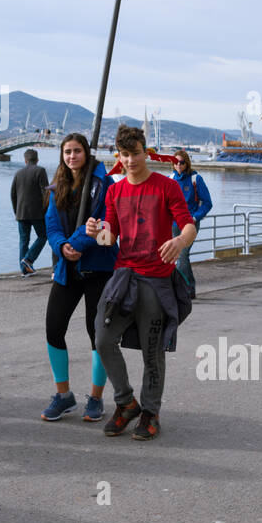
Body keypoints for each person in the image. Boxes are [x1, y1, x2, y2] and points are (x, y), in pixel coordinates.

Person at [85, 125, 196, 442]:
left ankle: (150, 412)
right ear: (118, 157)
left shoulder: (166, 186)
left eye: (136, 153)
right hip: (124, 277)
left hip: (156, 279)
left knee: (152, 351)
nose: (131, 160)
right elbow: (110, 239)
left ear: (145, 152)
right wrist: (96, 232)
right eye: (125, 154)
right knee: (103, 337)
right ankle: (125, 402)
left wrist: (179, 241)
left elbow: (188, 225)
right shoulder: (114, 191)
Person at [40, 133, 116, 422]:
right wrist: (62, 246)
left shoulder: (104, 184)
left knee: (97, 335)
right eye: (67, 151)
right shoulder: (57, 186)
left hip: (99, 269)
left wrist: (77, 244)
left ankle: (95, 398)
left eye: (77, 151)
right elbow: (50, 224)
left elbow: (103, 224)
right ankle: (63, 395)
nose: (72, 156)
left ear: (87, 153)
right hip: (66, 268)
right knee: (53, 328)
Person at [170, 149, 212, 298]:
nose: (178, 165)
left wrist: (195, 218)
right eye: (175, 162)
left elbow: (207, 203)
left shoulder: (196, 179)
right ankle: (189, 289)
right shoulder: (171, 178)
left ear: (186, 163)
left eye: (181, 162)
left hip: (190, 224)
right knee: (179, 257)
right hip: (173, 224)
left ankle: (183, 290)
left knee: (182, 256)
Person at [11, 149, 49, 276]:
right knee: (43, 236)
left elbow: (13, 195)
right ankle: (28, 259)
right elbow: (46, 193)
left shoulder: (18, 173)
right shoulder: (40, 171)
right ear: (37, 160)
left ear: (25, 160)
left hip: (21, 213)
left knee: (23, 240)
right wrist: (46, 210)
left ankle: (24, 271)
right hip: (37, 212)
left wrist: (16, 211)